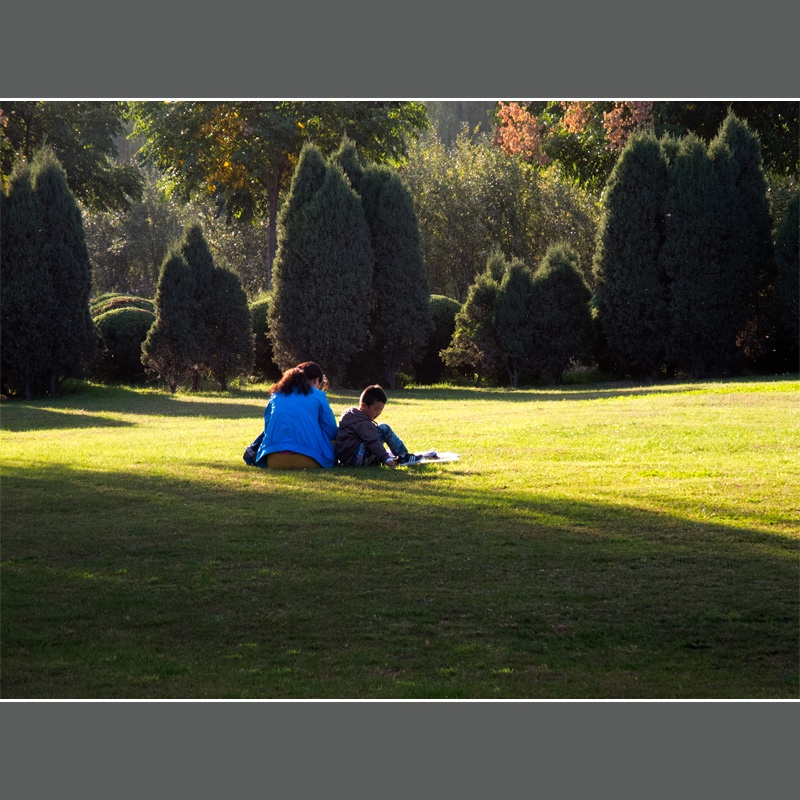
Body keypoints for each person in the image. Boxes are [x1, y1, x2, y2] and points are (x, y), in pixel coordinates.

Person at [243, 362, 338, 469]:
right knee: (334, 439)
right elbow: (331, 431)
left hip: (273, 460)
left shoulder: (276, 395)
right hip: (309, 460)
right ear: (316, 380)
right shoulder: (318, 395)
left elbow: (268, 427)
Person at [336, 385, 420, 468]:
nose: (378, 413)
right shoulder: (362, 422)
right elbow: (373, 442)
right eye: (376, 409)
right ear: (363, 406)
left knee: (375, 433)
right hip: (355, 459)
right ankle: (403, 456)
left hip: (348, 460)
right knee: (384, 428)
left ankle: (378, 459)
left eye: (381, 410)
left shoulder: (353, 416)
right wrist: (386, 458)